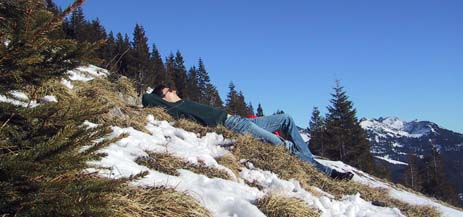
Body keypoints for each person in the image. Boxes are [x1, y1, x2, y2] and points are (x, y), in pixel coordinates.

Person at [142, 84, 354, 180]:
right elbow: (147, 99)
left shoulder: (182, 101)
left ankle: (309, 160)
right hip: (236, 127)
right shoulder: (174, 108)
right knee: (285, 147)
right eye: (170, 90)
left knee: (286, 119)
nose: (175, 90)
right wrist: (157, 96)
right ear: (163, 96)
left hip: (238, 119)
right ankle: (328, 173)